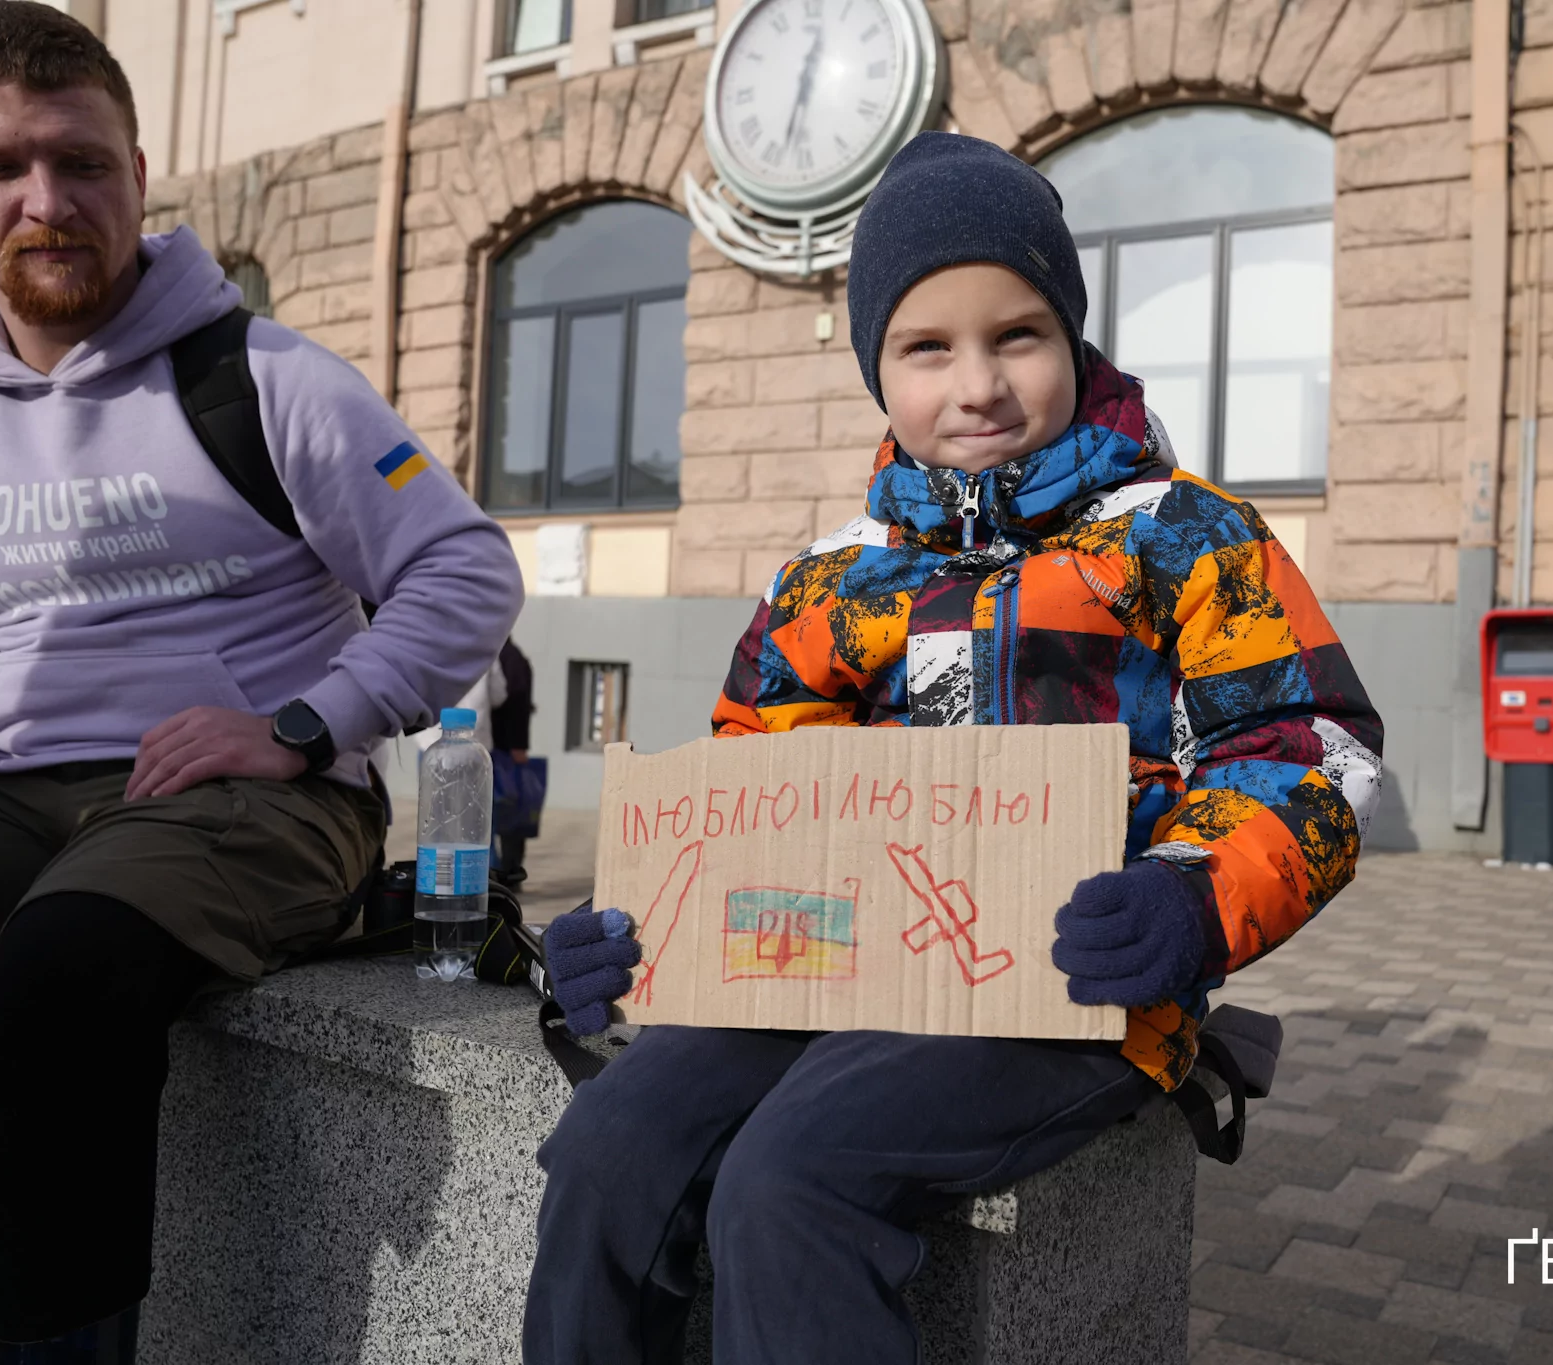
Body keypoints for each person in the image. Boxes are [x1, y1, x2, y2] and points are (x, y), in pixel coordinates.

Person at [526, 132, 1384, 1364]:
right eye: (926, 348)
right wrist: (642, 934)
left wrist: (1190, 903)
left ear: (1073, 342)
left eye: (1016, 336)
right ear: (877, 367)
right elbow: (753, 793)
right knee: (615, 1141)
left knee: (794, 1170)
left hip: (1071, 993)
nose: (974, 384)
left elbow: (1305, 745)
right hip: (828, 972)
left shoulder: (1180, 535)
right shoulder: (833, 575)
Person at [0, 5, 523, 1360]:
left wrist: (303, 722)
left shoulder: (262, 376)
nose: (48, 203)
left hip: (255, 794)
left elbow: (463, 572)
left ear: (138, 168)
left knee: (59, 976)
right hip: (10, 796)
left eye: (83, 162)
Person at [489, 638, 539, 882]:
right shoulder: (503, 654)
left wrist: (519, 745)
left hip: (503, 750)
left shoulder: (509, 658)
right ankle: (508, 871)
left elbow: (519, 704)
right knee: (505, 815)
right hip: (498, 747)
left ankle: (509, 872)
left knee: (508, 814)